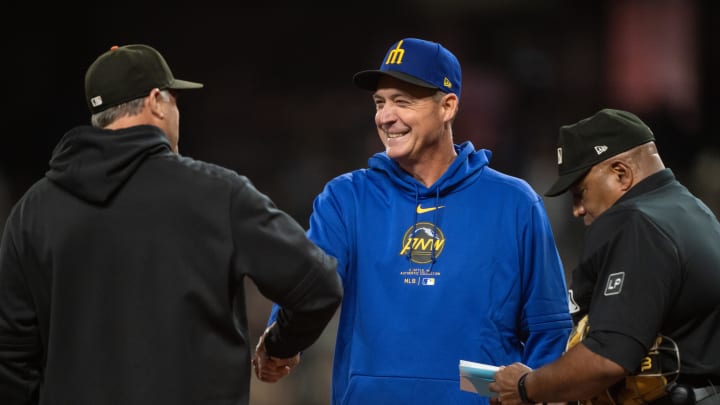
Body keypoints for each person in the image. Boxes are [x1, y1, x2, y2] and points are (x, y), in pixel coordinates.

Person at [0, 44, 343, 405]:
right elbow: (319, 286)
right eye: (175, 100)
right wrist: (278, 346)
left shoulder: (33, 211)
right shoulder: (218, 194)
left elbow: (10, 356)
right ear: (155, 101)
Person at [256, 37, 573, 404]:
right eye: (380, 102)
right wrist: (279, 340)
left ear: (448, 106)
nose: (385, 116)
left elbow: (548, 330)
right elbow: (308, 283)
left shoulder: (514, 203)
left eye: (402, 102)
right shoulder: (347, 199)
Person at [490, 108, 720, 405]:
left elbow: (607, 358)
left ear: (621, 174)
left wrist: (525, 386)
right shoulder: (692, 210)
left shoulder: (635, 221)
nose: (577, 210)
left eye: (580, 191)